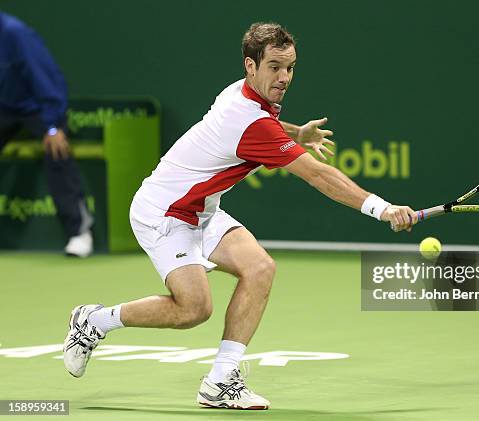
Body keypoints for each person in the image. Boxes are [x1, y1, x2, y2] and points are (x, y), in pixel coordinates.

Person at [62, 22, 417, 410]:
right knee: (193, 310)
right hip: (163, 213)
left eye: (291, 68)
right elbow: (317, 175)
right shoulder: (249, 120)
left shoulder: (242, 94)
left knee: (260, 268)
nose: (284, 78)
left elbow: (265, 127)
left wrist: (296, 134)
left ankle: (220, 381)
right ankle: (94, 321)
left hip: (202, 211)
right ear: (252, 65)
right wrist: (381, 208)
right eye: (275, 67)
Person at [0, 12, 93, 257]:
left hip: (36, 106)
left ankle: (79, 232)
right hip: (3, 108)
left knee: (56, 149)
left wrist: (52, 125)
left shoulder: (14, 33)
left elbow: (45, 77)